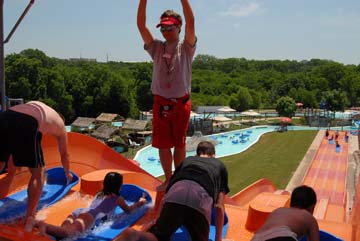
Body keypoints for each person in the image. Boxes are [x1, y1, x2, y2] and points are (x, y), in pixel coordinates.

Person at [137, 0, 197, 191]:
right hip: (160, 101)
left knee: (179, 144)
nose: (165, 31)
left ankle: (178, 180)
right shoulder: (156, 47)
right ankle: (168, 179)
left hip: (181, 102)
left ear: (178, 27)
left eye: (169, 27)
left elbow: (191, 23)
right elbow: (140, 25)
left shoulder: (186, 46)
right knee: (163, 145)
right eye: (162, 28)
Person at [117, 141, 230, 241]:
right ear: (214, 155)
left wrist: (157, 221)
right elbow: (219, 206)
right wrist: (219, 239)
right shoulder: (219, 165)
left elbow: (167, 193)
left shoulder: (187, 161)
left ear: (197, 154)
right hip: (200, 197)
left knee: (158, 237)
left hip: (176, 193)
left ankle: (133, 235)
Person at [0, 101, 73, 229]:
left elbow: (13, 140)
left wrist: (12, 168)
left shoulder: (36, 105)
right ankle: (30, 217)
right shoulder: (60, 125)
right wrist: (67, 174)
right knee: (38, 173)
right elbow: (65, 155)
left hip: (5, 116)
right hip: (28, 121)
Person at [26, 172, 147, 239]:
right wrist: (140, 203)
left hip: (79, 212)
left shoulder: (100, 193)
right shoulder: (117, 198)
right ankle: (39, 223)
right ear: (119, 186)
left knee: (63, 235)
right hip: (88, 217)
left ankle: (43, 228)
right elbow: (129, 210)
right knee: (68, 234)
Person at [250, 185, 320, 241]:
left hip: (256, 238)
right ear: (312, 207)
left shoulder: (278, 211)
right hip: (282, 237)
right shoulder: (309, 217)